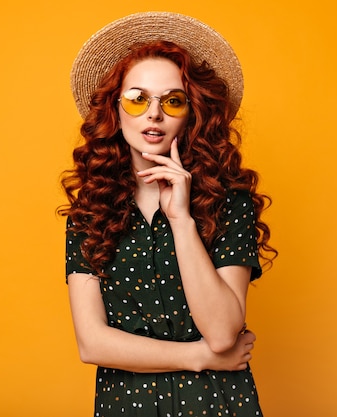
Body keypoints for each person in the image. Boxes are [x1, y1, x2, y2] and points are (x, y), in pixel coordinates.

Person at [59, 11, 277, 416]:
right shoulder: (88, 213)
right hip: (127, 406)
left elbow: (223, 331)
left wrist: (181, 220)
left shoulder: (229, 200)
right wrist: (200, 358)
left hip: (217, 405)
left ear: (191, 112)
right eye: (137, 98)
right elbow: (92, 344)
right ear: (115, 108)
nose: (153, 114)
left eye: (172, 100)